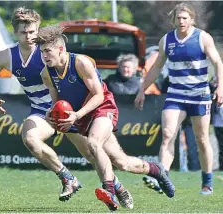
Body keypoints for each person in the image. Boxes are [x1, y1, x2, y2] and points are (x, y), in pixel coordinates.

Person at [0, 7, 133, 208]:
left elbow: (76, 66)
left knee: (92, 156)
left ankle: (117, 188)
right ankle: (67, 178)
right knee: (30, 139)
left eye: (32, 31)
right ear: (16, 32)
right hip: (43, 112)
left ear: (38, 29)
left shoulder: (46, 51)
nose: (29, 36)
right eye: (24, 32)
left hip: (68, 109)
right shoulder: (6, 56)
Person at [36, 24, 175, 211]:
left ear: (60, 49)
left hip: (102, 107)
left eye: (47, 51)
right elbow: (56, 102)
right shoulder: (46, 73)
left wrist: (77, 114)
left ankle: (109, 190)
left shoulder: (80, 63)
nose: (44, 56)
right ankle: (156, 169)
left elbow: (99, 95)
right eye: (42, 52)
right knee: (122, 162)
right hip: (83, 116)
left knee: (94, 143)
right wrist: (50, 114)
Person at [134, 2, 223, 195]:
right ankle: (162, 178)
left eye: (185, 18)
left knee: (202, 139)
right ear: (173, 20)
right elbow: (157, 67)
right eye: (178, 18)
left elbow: (217, 62)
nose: (182, 21)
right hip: (175, 94)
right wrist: (142, 89)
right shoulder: (166, 40)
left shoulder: (202, 38)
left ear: (191, 20)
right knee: (167, 134)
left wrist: (222, 88)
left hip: (200, 95)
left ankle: (207, 182)